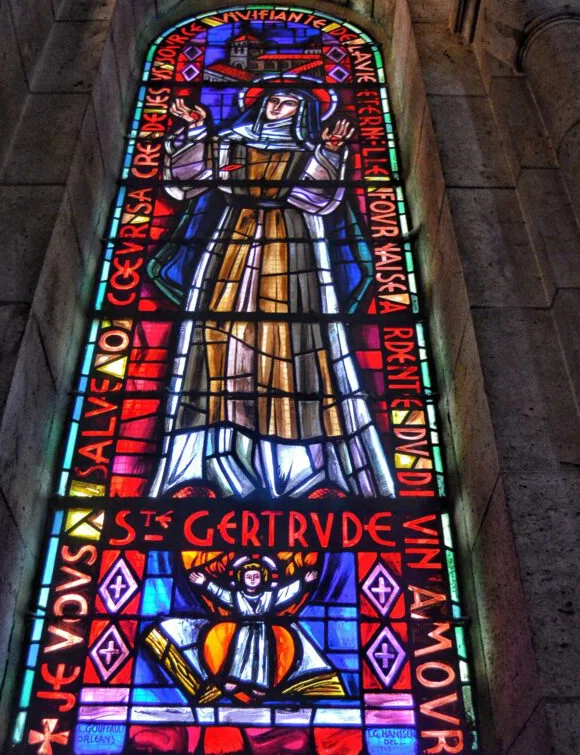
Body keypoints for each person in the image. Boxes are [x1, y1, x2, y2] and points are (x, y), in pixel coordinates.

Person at [148, 81, 395, 500]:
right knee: (219, 346)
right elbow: (183, 183)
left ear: (302, 114)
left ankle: (300, 471)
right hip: (231, 245)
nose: (277, 108)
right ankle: (208, 464)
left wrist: (329, 152)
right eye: (273, 101)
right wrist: (195, 130)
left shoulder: (308, 149)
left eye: (288, 104)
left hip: (291, 252)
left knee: (292, 351)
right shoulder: (231, 141)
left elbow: (319, 200)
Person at [189, 560, 318, 696]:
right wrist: (205, 583)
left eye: (256, 576)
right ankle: (235, 680)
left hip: (262, 631)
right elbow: (220, 593)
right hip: (244, 630)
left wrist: (303, 581)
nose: (252, 579)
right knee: (239, 654)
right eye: (248, 576)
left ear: (263, 578)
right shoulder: (236, 596)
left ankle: (259, 684)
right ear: (242, 578)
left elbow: (287, 592)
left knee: (261, 656)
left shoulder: (270, 596)